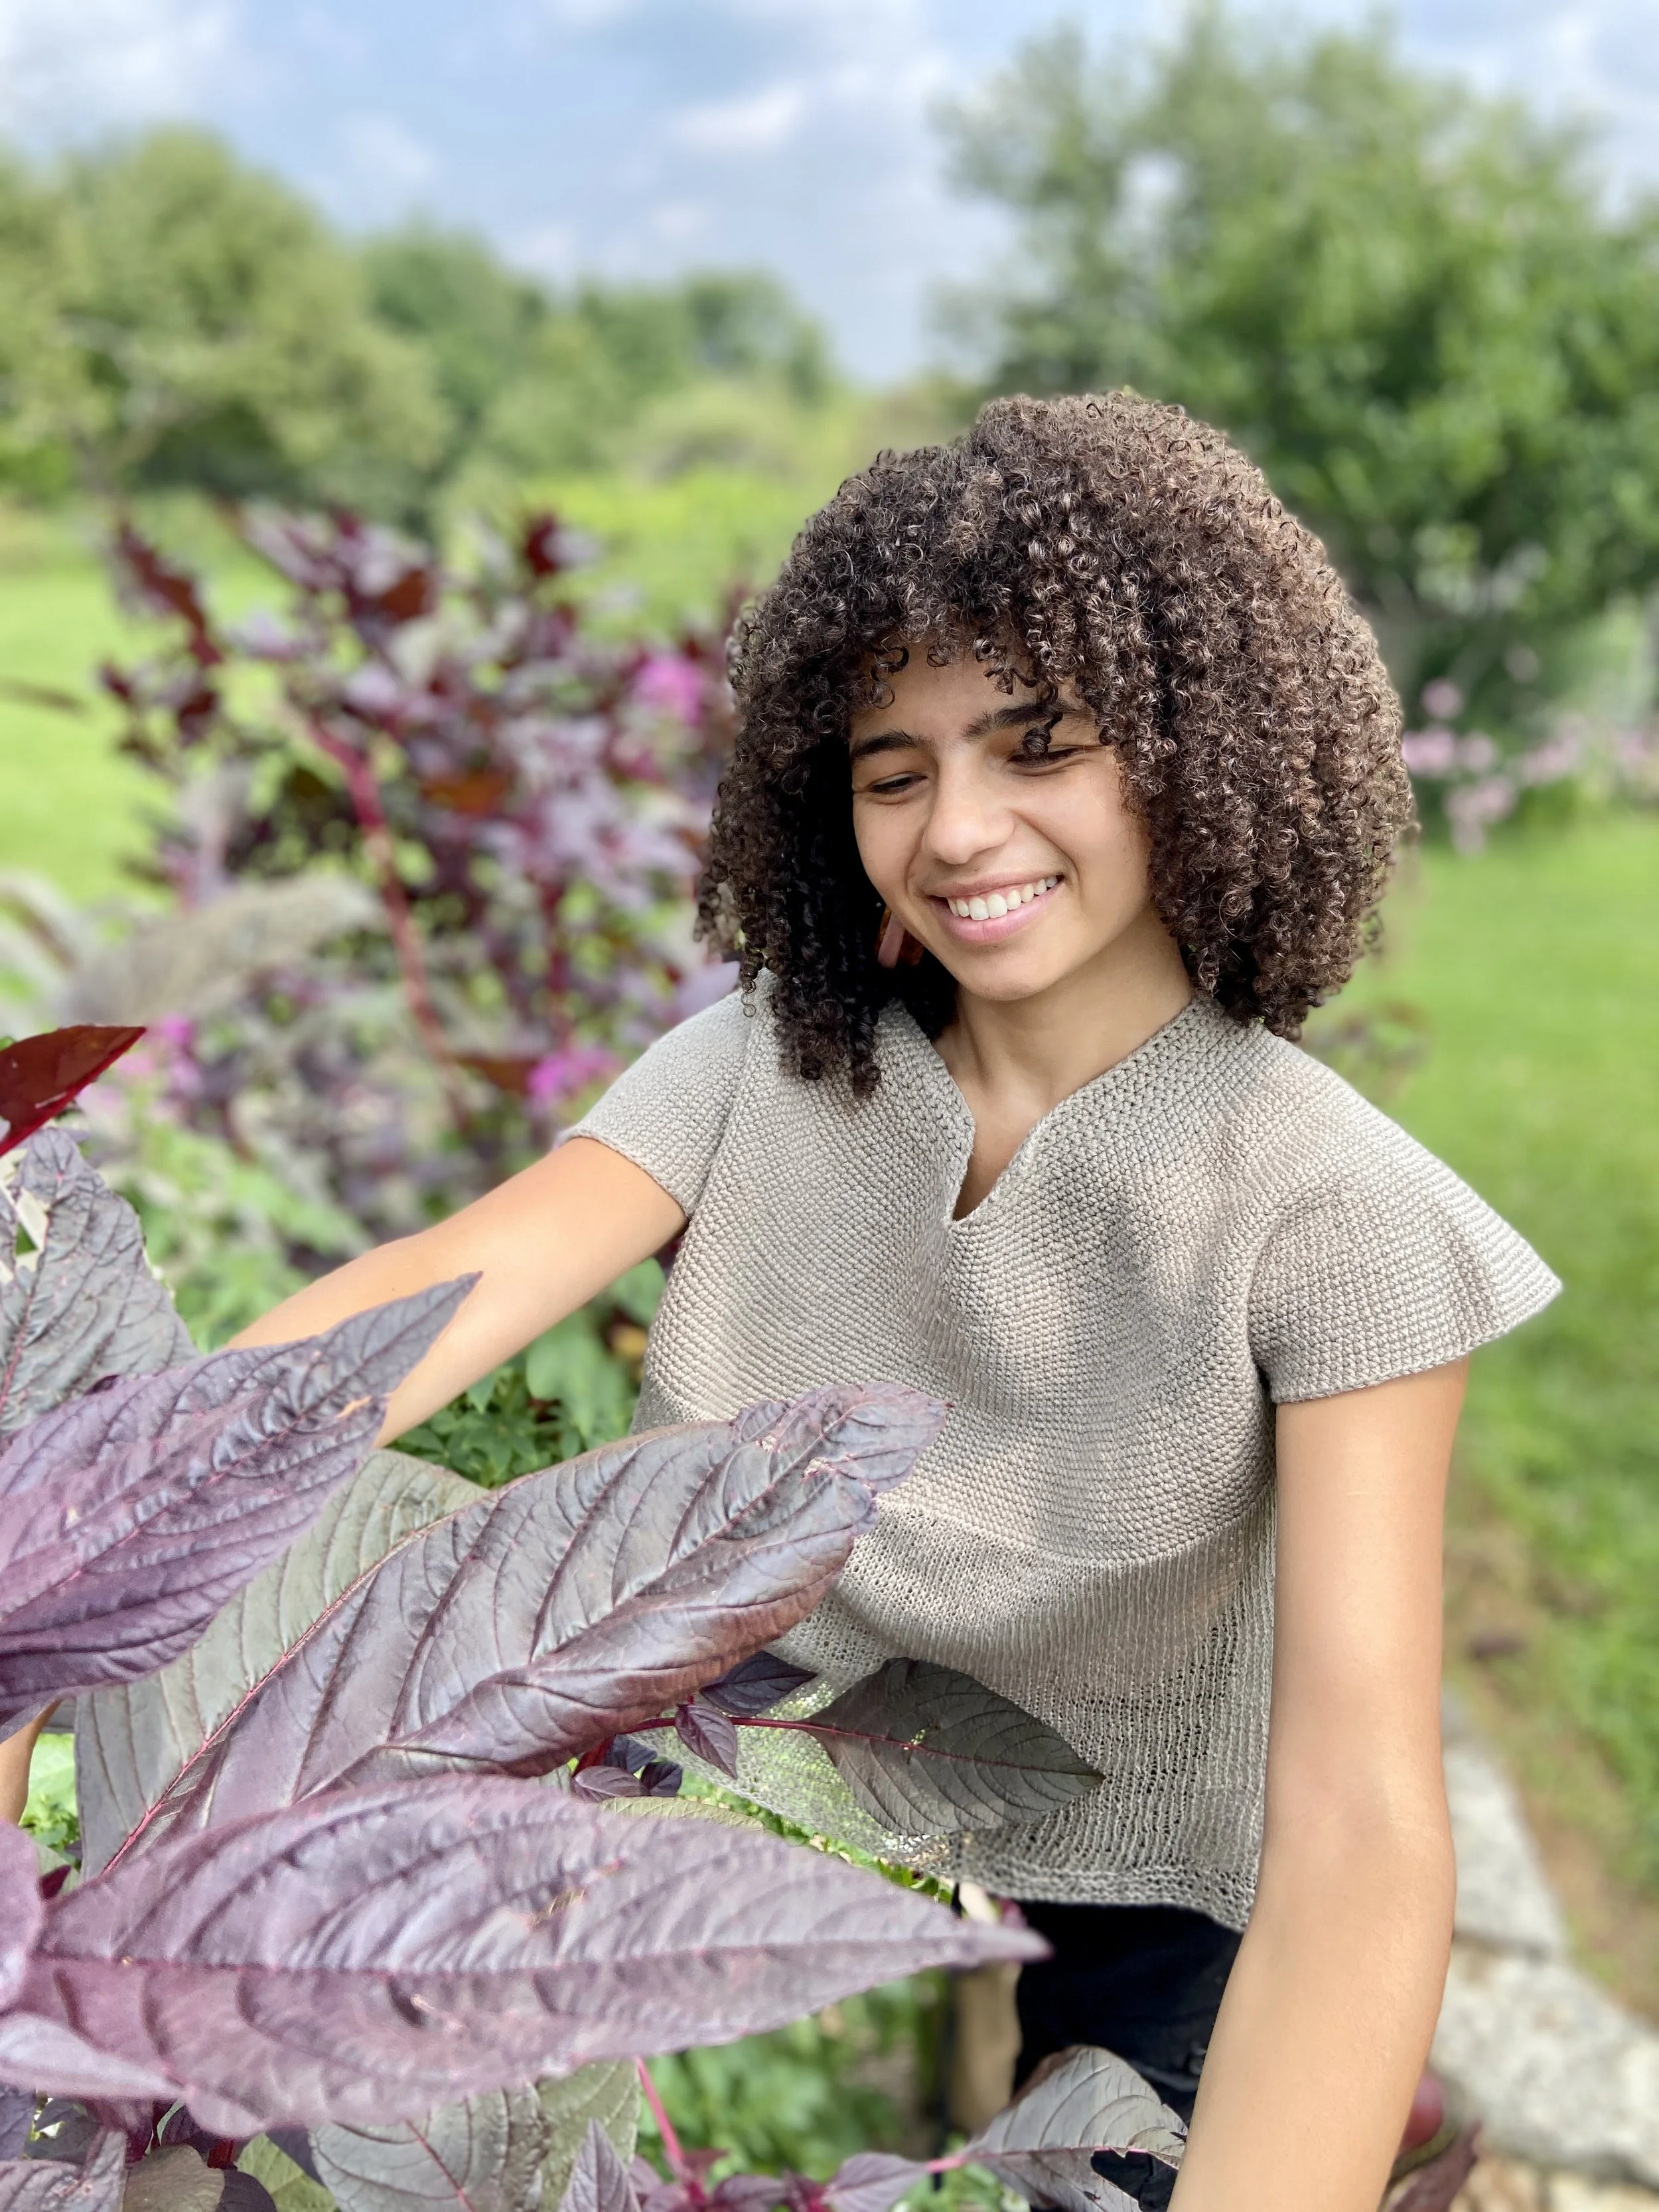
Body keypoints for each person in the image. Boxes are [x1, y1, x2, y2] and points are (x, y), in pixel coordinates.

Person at [9, 394, 1559, 2209]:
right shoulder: (767, 1066)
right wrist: (65, 1591)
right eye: (892, 768)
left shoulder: (1340, 1213)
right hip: (759, 1747)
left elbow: (1361, 1831)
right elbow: (433, 1293)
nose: (955, 827)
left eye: (1033, 745)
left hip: (1152, 1860)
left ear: (1194, 753)